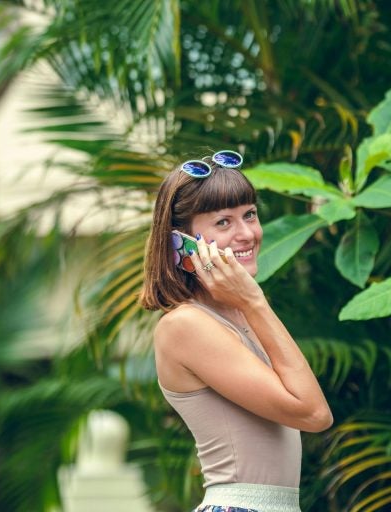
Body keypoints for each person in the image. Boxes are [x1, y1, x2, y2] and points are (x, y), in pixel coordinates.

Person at [139, 149, 333, 512]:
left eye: (250, 215)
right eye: (223, 223)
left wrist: (250, 305)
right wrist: (254, 301)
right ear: (181, 242)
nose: (247, 234)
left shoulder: (241, 315)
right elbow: (313, 414)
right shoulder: (185, 325)